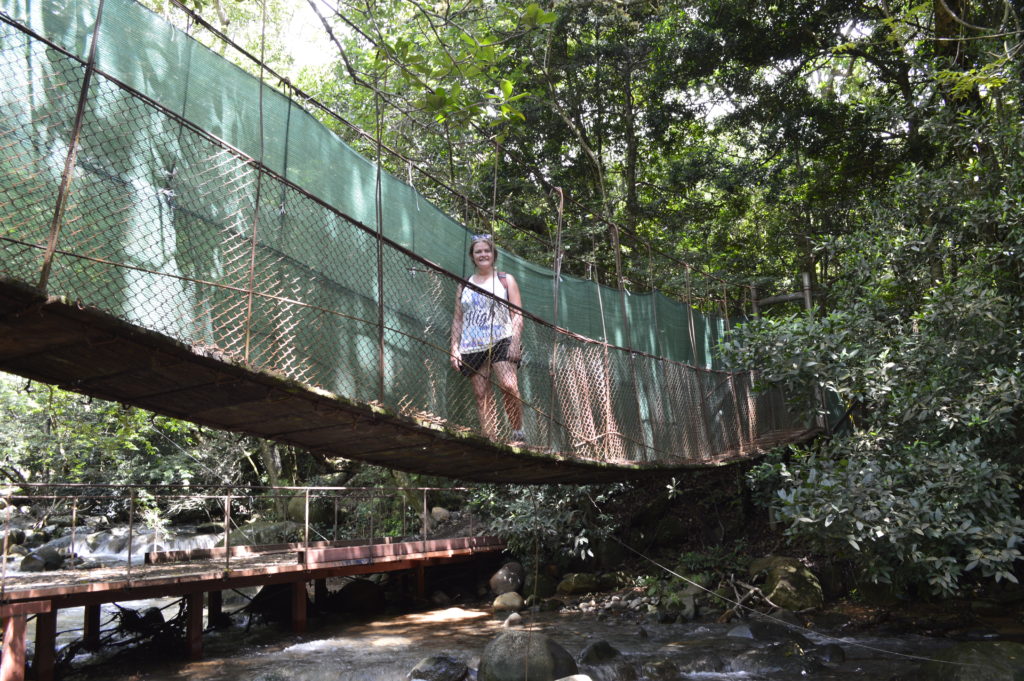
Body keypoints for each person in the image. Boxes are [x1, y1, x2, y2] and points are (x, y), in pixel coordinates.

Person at [450, 234, 525, 445]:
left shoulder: (505, 280)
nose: (483, 254)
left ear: (493, 254)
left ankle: (518, 432)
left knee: (509, 385)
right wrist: (454, 348)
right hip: (471, 344)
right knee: (481, 393)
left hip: (502, 338)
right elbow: (457, 319)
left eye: (487, 250)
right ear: (472, 257)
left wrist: (515, 341)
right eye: (478, 251)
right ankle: (490, 439)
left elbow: (517, 314)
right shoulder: (464, 284)